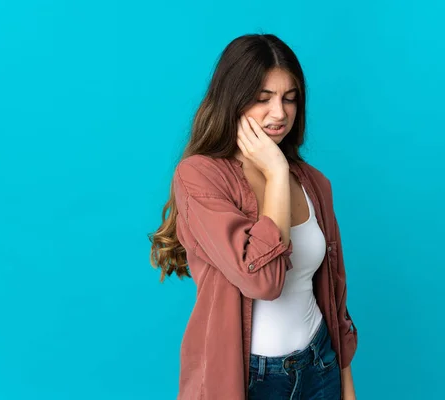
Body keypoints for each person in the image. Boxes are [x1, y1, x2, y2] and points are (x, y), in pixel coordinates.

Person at [149, 33, 358, 400]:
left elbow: (334, 295)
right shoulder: (199, 177)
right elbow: (263, 281)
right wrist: (276, 173)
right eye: (263, 99)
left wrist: (346, 385)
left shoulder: (315, 184)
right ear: (233, 100)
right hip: (251, 381)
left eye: (289, 99)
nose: (279, 113)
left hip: (319, 364)